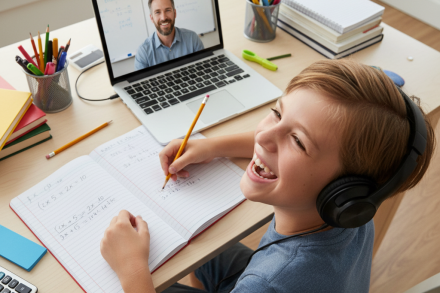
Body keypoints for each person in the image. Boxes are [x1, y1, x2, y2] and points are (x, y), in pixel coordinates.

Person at [100, 60, 435, 292]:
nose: (262, 137)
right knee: (203, 248)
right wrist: (211, 146)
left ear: (342, 192)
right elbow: (279, 139)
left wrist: (131, 267)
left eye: (297, 141)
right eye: (277, 112)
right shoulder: (357, 205)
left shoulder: (270, 284)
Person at [135, 0, 204, 70]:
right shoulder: (143, 53)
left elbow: (203, 70)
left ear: (175, 13)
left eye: (167, 10)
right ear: (152, 18)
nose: (163, 18)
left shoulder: (192, 39)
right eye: (157, 12)